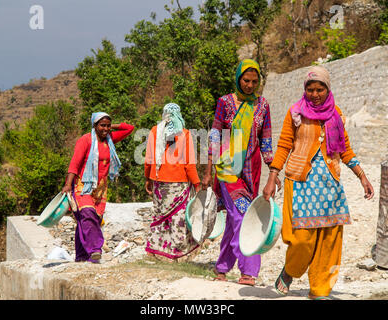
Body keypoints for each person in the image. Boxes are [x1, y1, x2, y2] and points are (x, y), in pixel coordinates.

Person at [262, 65, 374, 299]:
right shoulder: (295, 113)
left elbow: (346, 151)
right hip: (301, 183)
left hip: (330, 185)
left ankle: (320, 289)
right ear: (305, 89)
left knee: (329, 240)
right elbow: (283, 145)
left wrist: (362, 176)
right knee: (302, 239)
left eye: (319, 89)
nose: (315, 94)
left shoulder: (337, 115)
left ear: (327, 88)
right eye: (310, 89)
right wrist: (272, 177)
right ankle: (290, 271)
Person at [202, 59, 280, 286]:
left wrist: (273, 173)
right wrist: (208, 171)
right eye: (246, 80)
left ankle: (222, 267)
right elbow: (215, 136)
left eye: (255, 81)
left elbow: (265, 141)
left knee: (232, 221)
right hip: (227, 170)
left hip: (251, 171)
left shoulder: (262, 105)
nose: (250, 85)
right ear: (238, 78)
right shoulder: (225, 103)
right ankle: (249, 271)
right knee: (243, 216)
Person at [62, 112, 134, 263]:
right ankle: (95, 249)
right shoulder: (85, 140)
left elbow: (129, 128)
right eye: (102, 125)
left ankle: (82, 257)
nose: (106, 129)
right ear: (94, 125)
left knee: (87, 219)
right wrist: (68, 184)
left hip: (100, 188)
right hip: (84, 185)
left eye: (108, 126)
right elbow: (75, 163)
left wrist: (109, 126)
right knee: (87, 214)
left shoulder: (110, 139)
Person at [144, 103, 201, 261]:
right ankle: (178, 253)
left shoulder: (155, 131)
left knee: (160, 216)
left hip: (159, 182)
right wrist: (197, 184)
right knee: (178, 218)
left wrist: (148, 179)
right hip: (179, 184)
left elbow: (149, 160)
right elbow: (189, 165)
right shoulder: (185, 134)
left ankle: (157, 252)